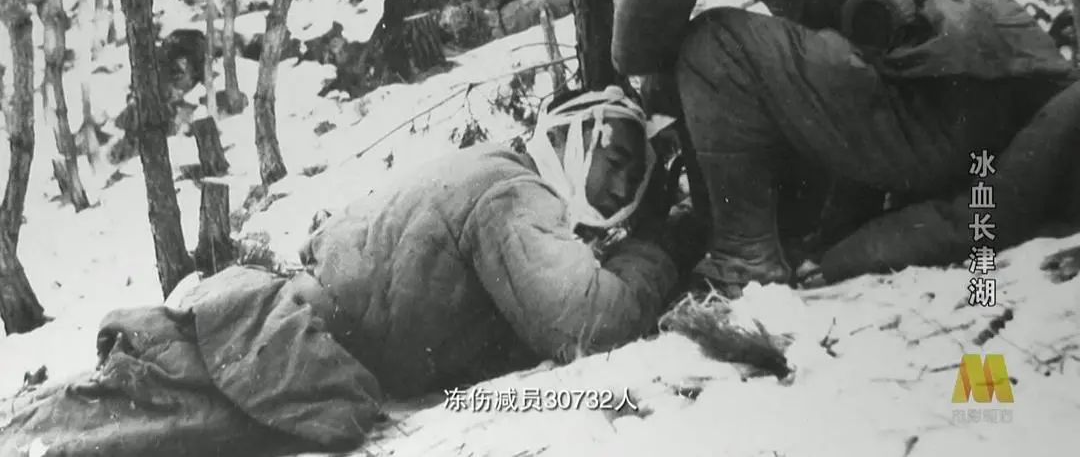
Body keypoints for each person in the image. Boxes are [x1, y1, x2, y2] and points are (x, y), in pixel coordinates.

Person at [0, 86, 688, 457]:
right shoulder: (517, 195)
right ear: (570, 134)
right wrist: (661, 249)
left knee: (99, 415)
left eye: (633, 174)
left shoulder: (500, 172)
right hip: (287, 353)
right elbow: (588, 321)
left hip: (279, 334)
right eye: (613, 154)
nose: (617, 181)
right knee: (100, 433)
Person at [612, 0, 1080, 295]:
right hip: (991, 101)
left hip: (943, 97)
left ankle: (745, 260)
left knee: (717, 47)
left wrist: (638, 64)